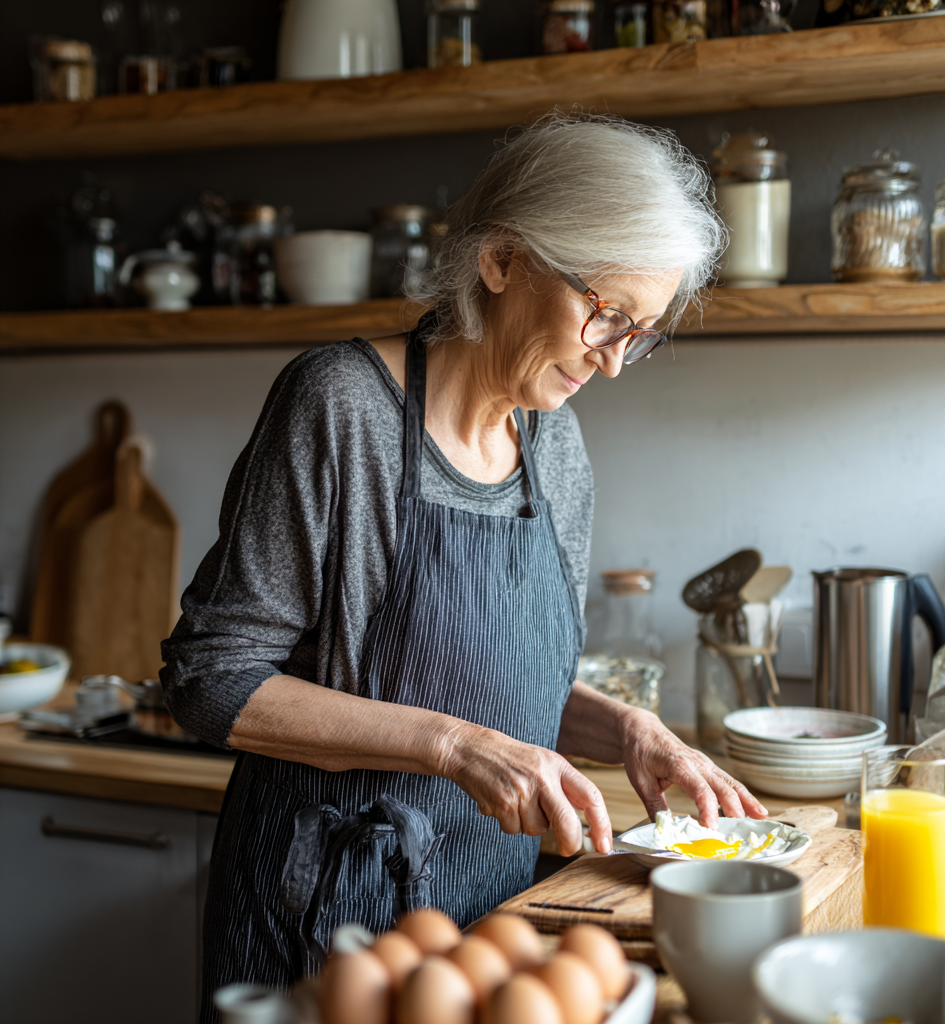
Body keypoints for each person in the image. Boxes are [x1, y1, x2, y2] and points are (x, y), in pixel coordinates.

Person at [161, 111, 767, 1020]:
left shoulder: (556, 449)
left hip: (490, 914)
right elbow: (210, 679)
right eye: (604, 315)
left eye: (636, 334)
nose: (610, 364)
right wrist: (454, 746)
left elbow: (510, 686)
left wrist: (627, 730)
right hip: (322, 929)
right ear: (502, 261)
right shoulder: (339, 408)